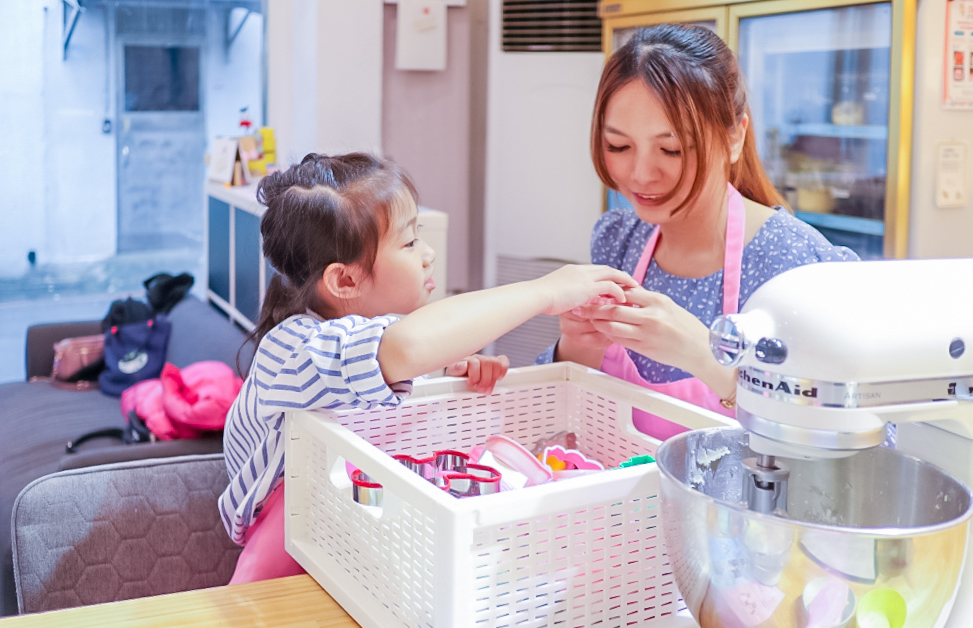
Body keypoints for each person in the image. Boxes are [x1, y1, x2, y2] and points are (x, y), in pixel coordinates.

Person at [221, 152, 637, 583]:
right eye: (409, 242)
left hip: (365, 551)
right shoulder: (292, 349)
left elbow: (402, 395)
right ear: (344, 281)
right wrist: (544, 292)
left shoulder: (390, 346)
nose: (429, 254)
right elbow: (405, 347)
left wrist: (449, 390)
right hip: (287, 561)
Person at [538, 24, 858, 439]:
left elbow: (853, 441)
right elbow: (566, 420)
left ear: (734, 138)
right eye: (619, 146)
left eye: (671, 149)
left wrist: (707, 358)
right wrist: (577, 348)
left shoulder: (794, 265)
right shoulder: (619, 239)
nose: (640, 174)